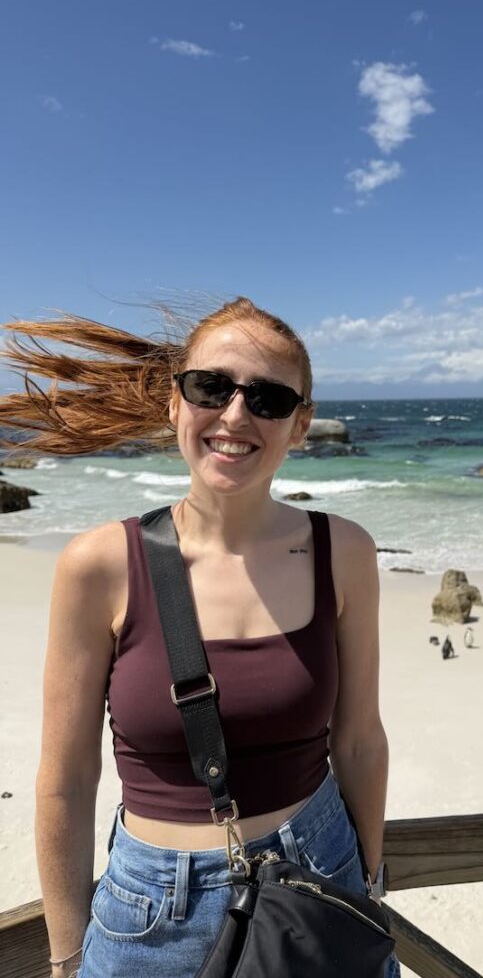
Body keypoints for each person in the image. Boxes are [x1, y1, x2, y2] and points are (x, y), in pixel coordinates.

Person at [0, 299, 399, 978]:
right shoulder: (99, 564)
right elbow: (66, 779)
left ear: (299, 425)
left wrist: (365, 876)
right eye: (212, 387)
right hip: (152, 914)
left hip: (317, 878)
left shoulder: (345, 552)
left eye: (269, 399)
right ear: (174, 404)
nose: (237, 415)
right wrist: (66, 953)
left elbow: (359, 737)